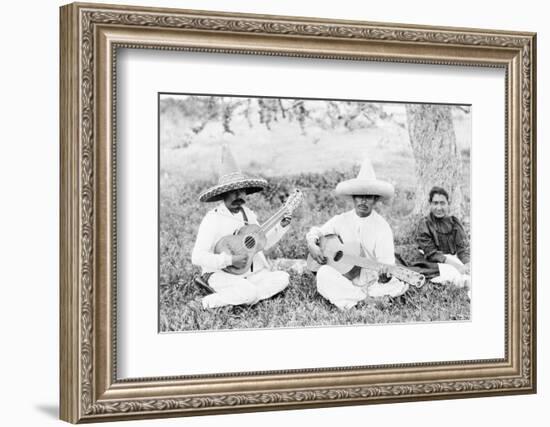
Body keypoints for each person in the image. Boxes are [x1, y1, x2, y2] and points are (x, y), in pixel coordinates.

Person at [191, 145, 292, 309]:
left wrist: (281, 226)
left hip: (248, 274)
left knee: (283, 278)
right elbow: (197, 257)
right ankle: (206, 302)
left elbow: (260, 243)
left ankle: (239, 296)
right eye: (234, 192)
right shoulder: (213, 219)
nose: (240, 196)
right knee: (250, 293)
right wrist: (230, 259)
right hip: (220, 273)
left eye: (242, 191)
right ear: (224, 194)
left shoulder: (248, 214)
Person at [306, 158, 408, 310]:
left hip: (373, 281)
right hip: (347, 276)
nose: (363, 201)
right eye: (359, 196)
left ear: (375, 200)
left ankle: (355, 299)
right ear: (353, 198)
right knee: (323, 274)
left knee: (389, 287)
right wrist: (311, 244)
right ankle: (366, 300)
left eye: (368, 197)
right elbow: (317, 231)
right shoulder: (341, 219)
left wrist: (384, 277)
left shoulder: (382, 227)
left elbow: (387, 265)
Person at [415, 186, 471, 291]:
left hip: (452, 258)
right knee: (453, 274)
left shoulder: (454, 223)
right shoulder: (425, 224)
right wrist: (458, 266)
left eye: (442, 203)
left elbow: (462, 250)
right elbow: (432, 254)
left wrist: (467, 264)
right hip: (432, 262)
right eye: (435, 203)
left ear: (448, 204)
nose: (439, 208)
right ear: (430, 204)